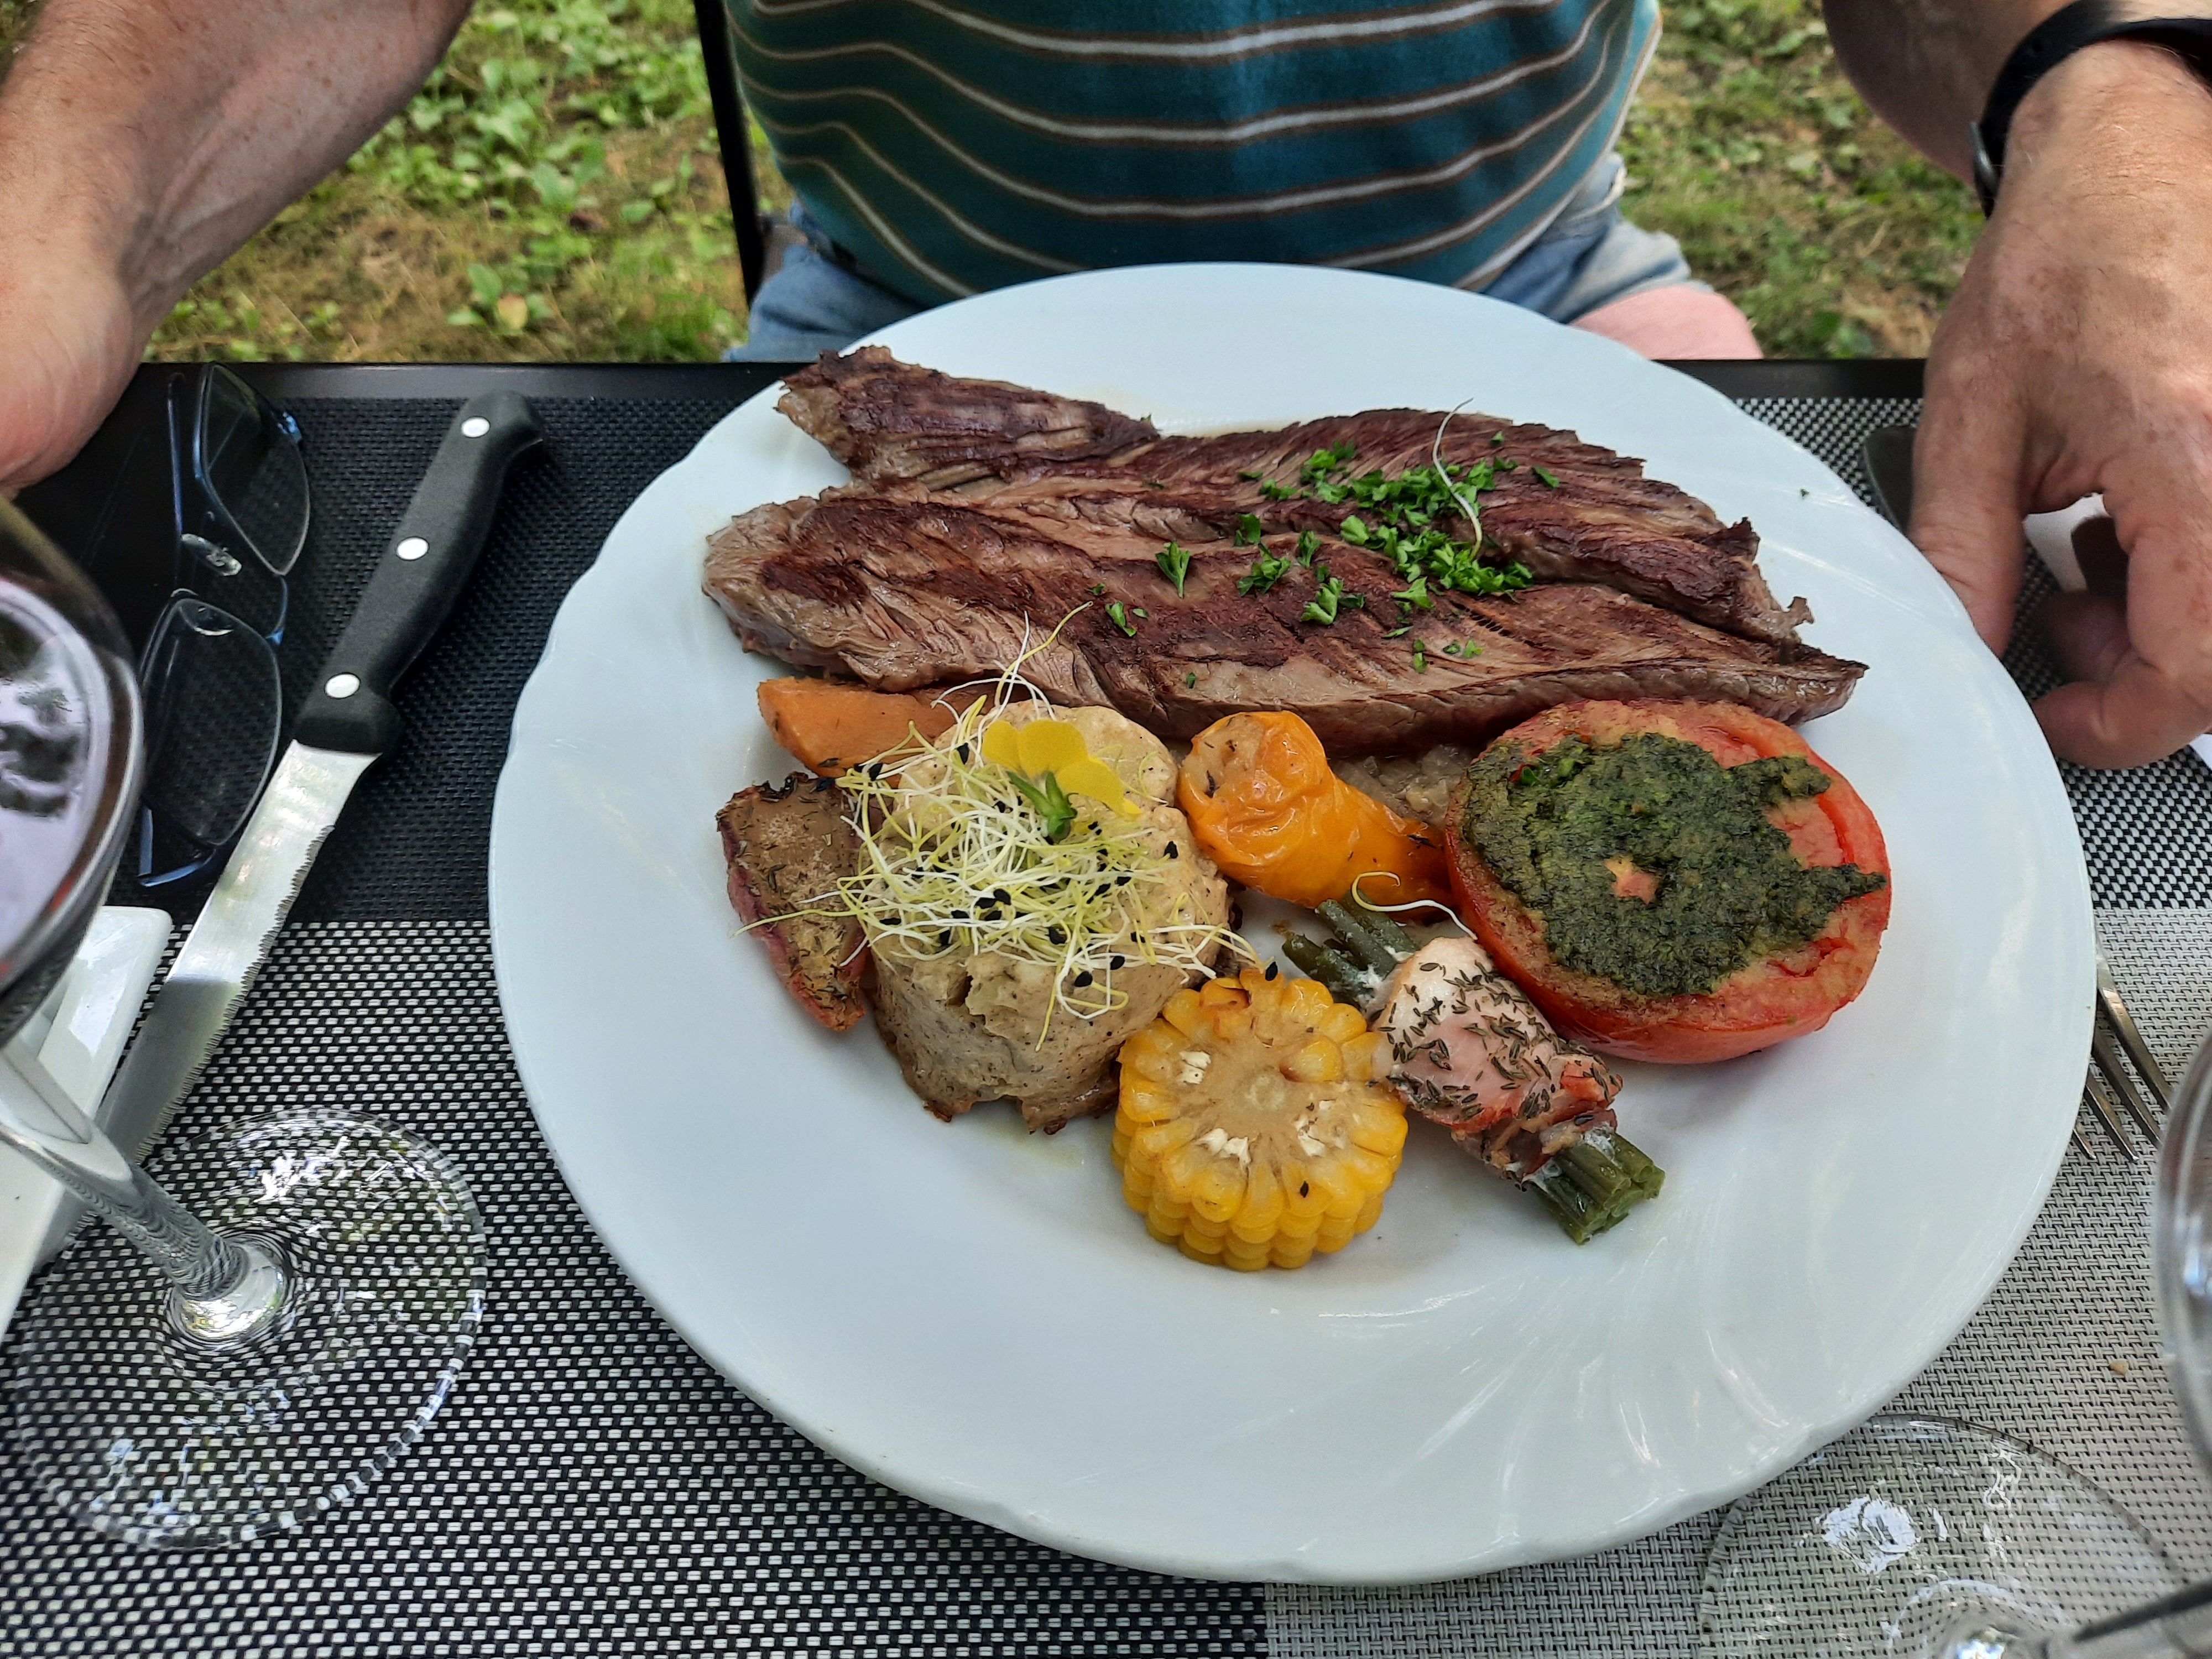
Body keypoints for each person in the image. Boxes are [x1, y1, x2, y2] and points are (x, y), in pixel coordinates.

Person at [0, 0, 2205, 768]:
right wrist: (65, 209)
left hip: (1533, 296)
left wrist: (2100, 86)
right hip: (905, 322)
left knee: (1855, 649)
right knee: (703, 640)